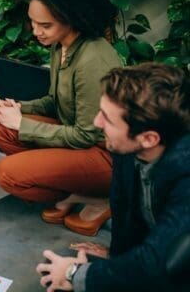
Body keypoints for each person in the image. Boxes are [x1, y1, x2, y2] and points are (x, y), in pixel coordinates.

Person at [0, 0, 122, 236]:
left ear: (72, 17)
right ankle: (77, 191)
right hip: (79, 142)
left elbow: (88, 135)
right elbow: (55, 101)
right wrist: (17, 109)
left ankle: (99, 196)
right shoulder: (60, 44)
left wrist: (22, 124)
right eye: (33, 22)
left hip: (105, 157)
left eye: (45, 25)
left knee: (7, 173)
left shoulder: (93, 59)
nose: (36, 32)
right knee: (2, 130)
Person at [36, 63, 189, 291]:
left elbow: (159, 263)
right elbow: (124, 207)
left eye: (107, 118)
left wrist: (73, 273)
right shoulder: (127, 147)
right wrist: (117, 260)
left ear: (148, 138)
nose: (96, 122)